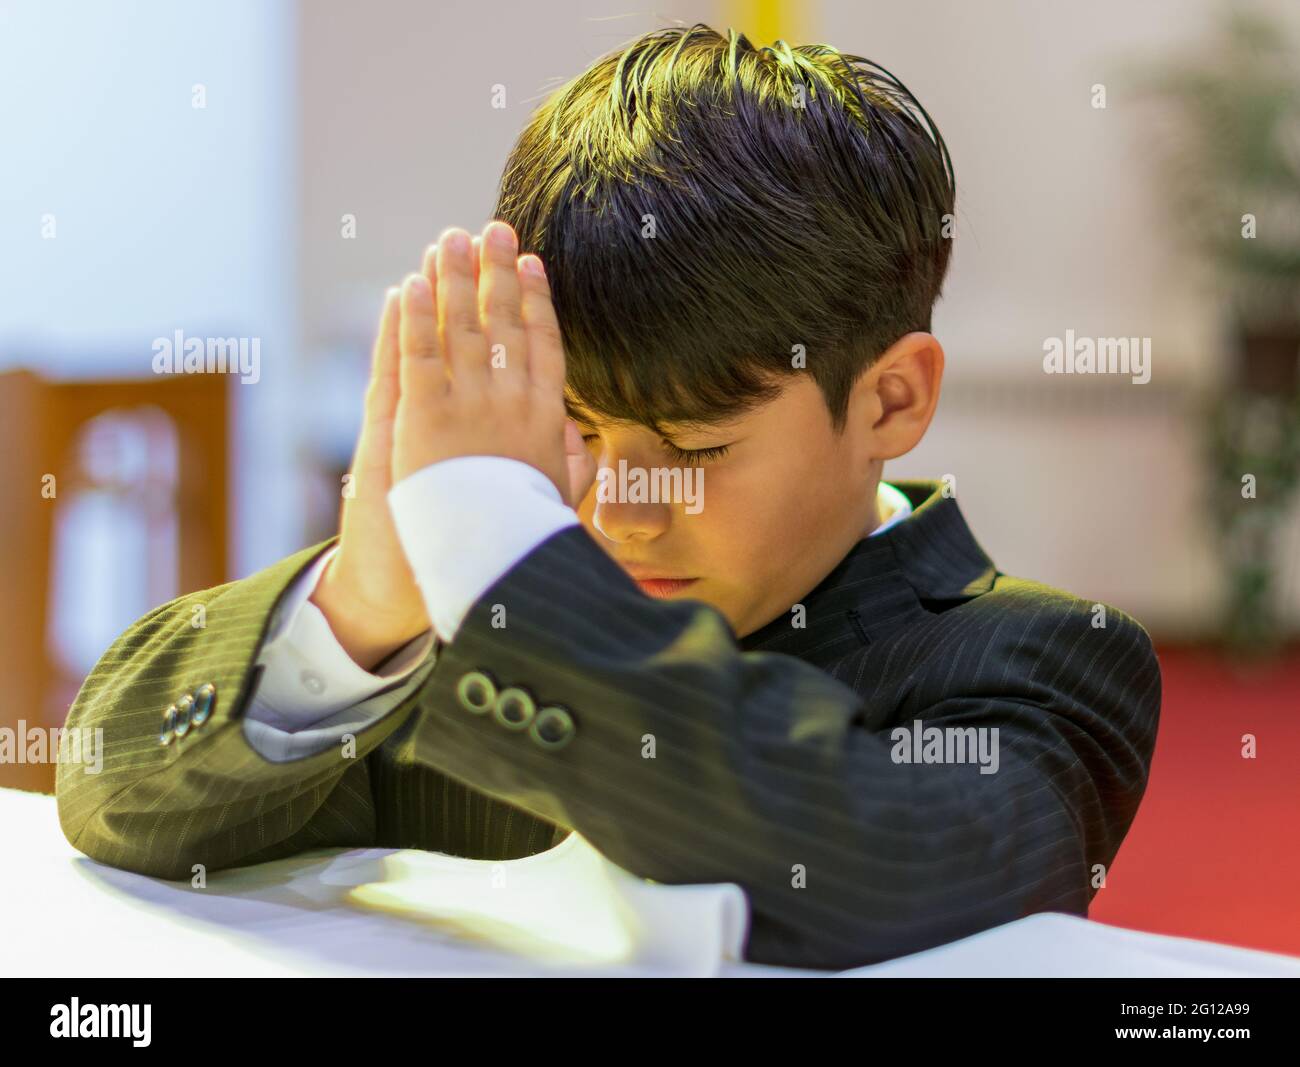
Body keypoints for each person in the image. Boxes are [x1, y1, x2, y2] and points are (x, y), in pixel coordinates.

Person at [56, 24, 1160, 971]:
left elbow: (882, 865)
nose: (620, 509)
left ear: (890, 399)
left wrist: (496, 543)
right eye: (571, 433)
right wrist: (359, 606)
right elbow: (113, 790)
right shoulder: (477, 612)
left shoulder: (1043, 660)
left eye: (695, 447)